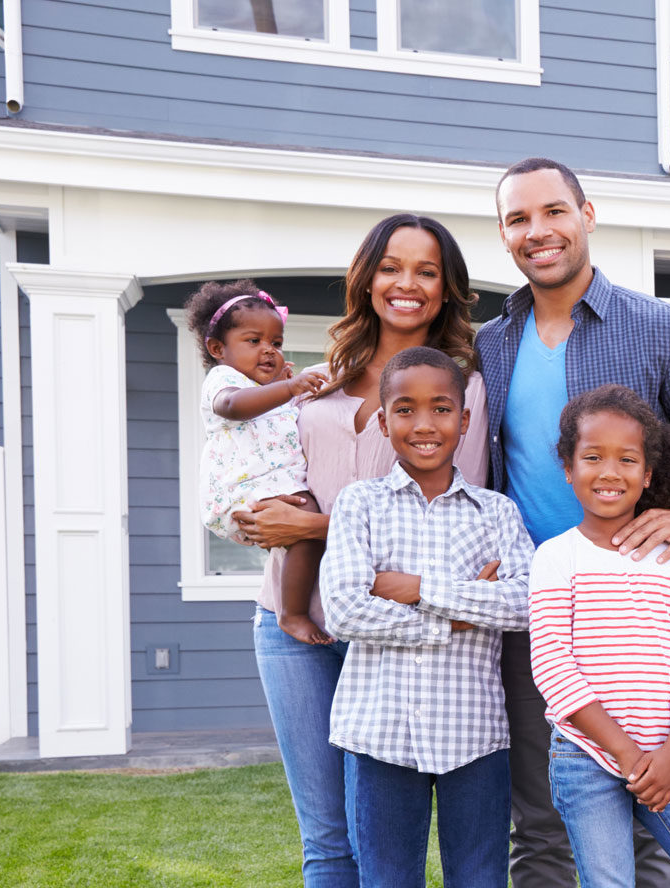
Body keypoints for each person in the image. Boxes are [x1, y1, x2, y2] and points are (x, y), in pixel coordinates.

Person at [477, 156, 670, 887]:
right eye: (518, 219)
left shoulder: (658, 326)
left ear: (586, 215)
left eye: (553, 211)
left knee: (652, 817)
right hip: (538, 608)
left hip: (639, 605)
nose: (539, 231)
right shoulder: (489, 343)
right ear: (504, 236)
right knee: (539, 821)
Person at [235, 214, 488, 888]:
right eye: (391, 266)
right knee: (324, 839)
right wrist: (254, 511)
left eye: (426, 271)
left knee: (377, 842)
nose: (406, 283)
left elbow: (448, 517)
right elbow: (276, 467)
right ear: (367, 278)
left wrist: (310, 528)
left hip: (385, 627)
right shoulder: (320, 377)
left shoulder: (459, 392)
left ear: (445, 288)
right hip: (285, 621)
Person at [530, 385, 670, 888]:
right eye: (592, 457)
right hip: (586, 757)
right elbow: (552, 668)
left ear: (647, 473)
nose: (610, 472)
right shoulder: (555, 558)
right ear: (568, 468)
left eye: (627, 459)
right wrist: (630, 757)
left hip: (669, 758)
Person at [322, 346, 531, 888]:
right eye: (405, 409)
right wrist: (456, 617)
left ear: (464, 421)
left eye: (441, 409)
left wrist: (416, 589)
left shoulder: (497, 512)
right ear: (384, 420)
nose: (424, 424)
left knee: (480, 879)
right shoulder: (358, 504)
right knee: (386, 879)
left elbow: (527, 602)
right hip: (379, 732)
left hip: (474, 733)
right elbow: (345, 609)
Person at [186, 280, 331, 645]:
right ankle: (291, 613)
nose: (268, 351)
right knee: (305, 528)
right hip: (245, 487)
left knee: (305, 530)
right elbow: (233, 407)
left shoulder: (268, 389)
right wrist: (287, 387)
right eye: (254, 342)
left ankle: (296, 607)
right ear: (218, 348)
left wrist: (281, 388)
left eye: (276, 343)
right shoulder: (223, 380)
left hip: (273, 483)